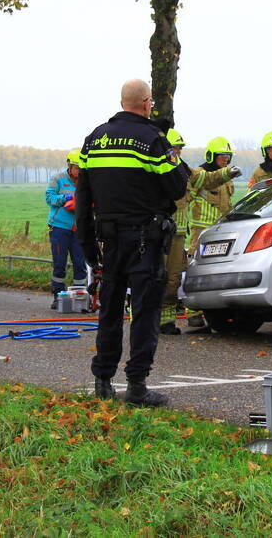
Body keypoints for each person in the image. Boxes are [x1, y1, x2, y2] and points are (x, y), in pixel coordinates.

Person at [75, 79, 192, 406]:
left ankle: (103, 381)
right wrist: (165, 140)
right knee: (144, 312)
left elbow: (83, 199)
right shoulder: (151, 140)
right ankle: (137, 386)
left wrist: (87, 248)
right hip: (146, 240)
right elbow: (178, 185)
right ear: (145, 103)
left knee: (109, 311)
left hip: (108, 242)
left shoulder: (94, 139)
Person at [46, 149, 87, 309]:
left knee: (80, 263)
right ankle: (58, 296)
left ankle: (80, 297)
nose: (80, 171)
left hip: (79, 228)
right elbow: (49, 198)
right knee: (59, 263)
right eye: (77, 168)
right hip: (59, 228)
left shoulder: (86, 180)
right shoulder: (58, 179)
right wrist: (66, 198)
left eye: (82, 168)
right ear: (70, 166)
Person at [187, 136, 241, 256]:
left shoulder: (227, 177)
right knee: (198, 261)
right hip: (202, 231)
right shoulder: (200, 175)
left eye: (228, 156)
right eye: (222, 156)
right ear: (211, 156)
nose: (226, 159)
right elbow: (186, 200)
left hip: (223, 229)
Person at [160, 128, 189, 335]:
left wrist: (226, 173)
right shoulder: (158, 170)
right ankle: (145, 321)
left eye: (179, 148)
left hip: (178, 234)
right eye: (174, 148)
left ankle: (167, 321)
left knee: (173, 280)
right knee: (154, 278)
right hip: (159, 233)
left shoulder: (183, 170)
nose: (177, 152)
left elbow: (201, 180)